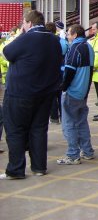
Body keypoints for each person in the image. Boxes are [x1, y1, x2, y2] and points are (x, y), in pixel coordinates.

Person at [1, 10, 62, 179]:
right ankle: (39, 167)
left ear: (28, 23)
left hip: (20, 93)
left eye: (24, 23)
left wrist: (20, 34)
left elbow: (7, 52)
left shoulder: (26, 37)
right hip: (45, 93)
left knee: (15, 131)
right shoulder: (54, 40)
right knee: (39, 130)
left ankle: (15, 170)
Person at [57, 24, 95, 165]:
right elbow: (90, 71)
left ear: (74, 35)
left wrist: (63, 87)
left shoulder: (75, 48)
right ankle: (87, 151)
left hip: (72, 92)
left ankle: (73, 155)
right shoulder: (89, 47)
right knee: (81, 122)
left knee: (69, 124)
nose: (67, 36)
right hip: (83, 92)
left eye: (68, 34)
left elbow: (69, 71)